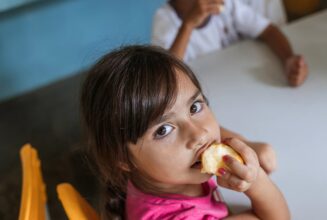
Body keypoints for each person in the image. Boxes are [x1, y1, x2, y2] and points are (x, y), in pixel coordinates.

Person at [80, 45, 290, 219]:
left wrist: (246, 145)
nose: (199, 134)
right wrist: (256, 181)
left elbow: (209, 130)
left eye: (195, 107)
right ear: (122, 157)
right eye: (164, 130)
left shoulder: (156, 171)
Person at [151, 0, 308, 87]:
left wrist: (288, 59)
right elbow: (167, 77)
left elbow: (268, 30)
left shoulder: (227, 5)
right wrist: (188, 25)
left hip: (240, 84)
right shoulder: (165, 20)